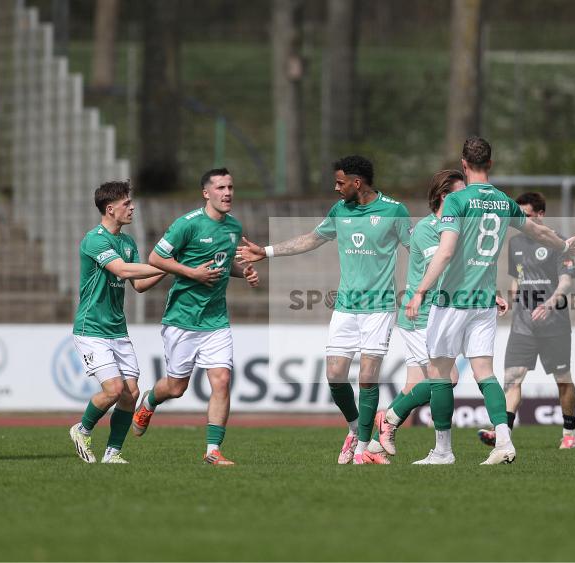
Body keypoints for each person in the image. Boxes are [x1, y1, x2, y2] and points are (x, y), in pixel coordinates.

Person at [405, 136, 575, 465]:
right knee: (484, 372)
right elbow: (538, 232)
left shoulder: (458, 201)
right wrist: (562, 244)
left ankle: (443, 451)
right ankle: (503, 440)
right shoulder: (503, 201)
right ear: (491, 164)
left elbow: (444, 252)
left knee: (440, 372)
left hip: (453, 299)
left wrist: (420, 290)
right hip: (485, 301)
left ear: (464, 164)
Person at [238, 156, 411, 465]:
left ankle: (363, 451)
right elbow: (311, 239)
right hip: (345, 306)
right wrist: (267, 251)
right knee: (334, 375)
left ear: (357, 183)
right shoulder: (339, 211)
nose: (336, 188)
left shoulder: (394, 211)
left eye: (340, 182)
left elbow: (416, 249)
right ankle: (357, 429)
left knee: (369, 377)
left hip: (379, 308)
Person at [130, 168, 260, 466]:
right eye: (220, 188)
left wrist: (245, 272)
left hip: (216, 321)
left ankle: (212, 451)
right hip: (182, 319)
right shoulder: (186, 225)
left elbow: (225, 264)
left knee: (222, 380)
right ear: (206, 193)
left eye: (230, 187)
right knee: (176, 388)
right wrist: (192, 273)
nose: (227, 193)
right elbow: (155, 259)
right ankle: (150, 399)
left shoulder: (233, 227)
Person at [69, 180, 166, 464]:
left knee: (131, 393)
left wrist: (171, 271)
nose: (132, 207)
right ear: (110, 209)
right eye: (126, 203)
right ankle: (82, 429)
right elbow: (122, 270)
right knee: (113, 390)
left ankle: (112, 453)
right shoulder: (94, 239)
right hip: (92, 329)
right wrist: (171, 264)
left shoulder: (127, 241)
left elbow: (139, 284)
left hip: (117, 329)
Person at [369, 170, 464, 457]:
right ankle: (389, 419)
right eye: (461, 194)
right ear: (444, 196)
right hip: (421, 316)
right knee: (448, 379)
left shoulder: (454, 228)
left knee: (413, 386)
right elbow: (444, 269)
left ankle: (374, 446)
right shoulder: (427, 229)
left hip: (428, 315)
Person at [476, 192, 575, 449]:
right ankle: (503, 433)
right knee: (512, 377)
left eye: (527, 215)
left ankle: (570, 432)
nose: (522, 220)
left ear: (541, 215)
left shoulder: (558, 242)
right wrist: (509, 301)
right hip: (523, 324)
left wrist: (550, 303)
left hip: (554, 324)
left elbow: (566, 281)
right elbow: (517, 278)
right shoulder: (516, 243)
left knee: (563, 378)